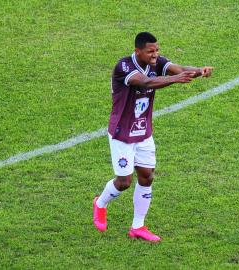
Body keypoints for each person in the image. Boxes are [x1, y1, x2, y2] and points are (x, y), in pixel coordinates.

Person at [93, 32, 213, 242]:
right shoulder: (124, 67)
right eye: (151, 51)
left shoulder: (157, 62)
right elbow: (145, 83)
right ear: (138, 51)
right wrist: (176, 79)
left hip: (143, 132)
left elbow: (180, 69)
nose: (155, 54)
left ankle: (137, 226)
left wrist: (199, 71)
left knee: (147, 176)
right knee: (124, 182)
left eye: (157, 50)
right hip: (122, 134)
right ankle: (100, 204)